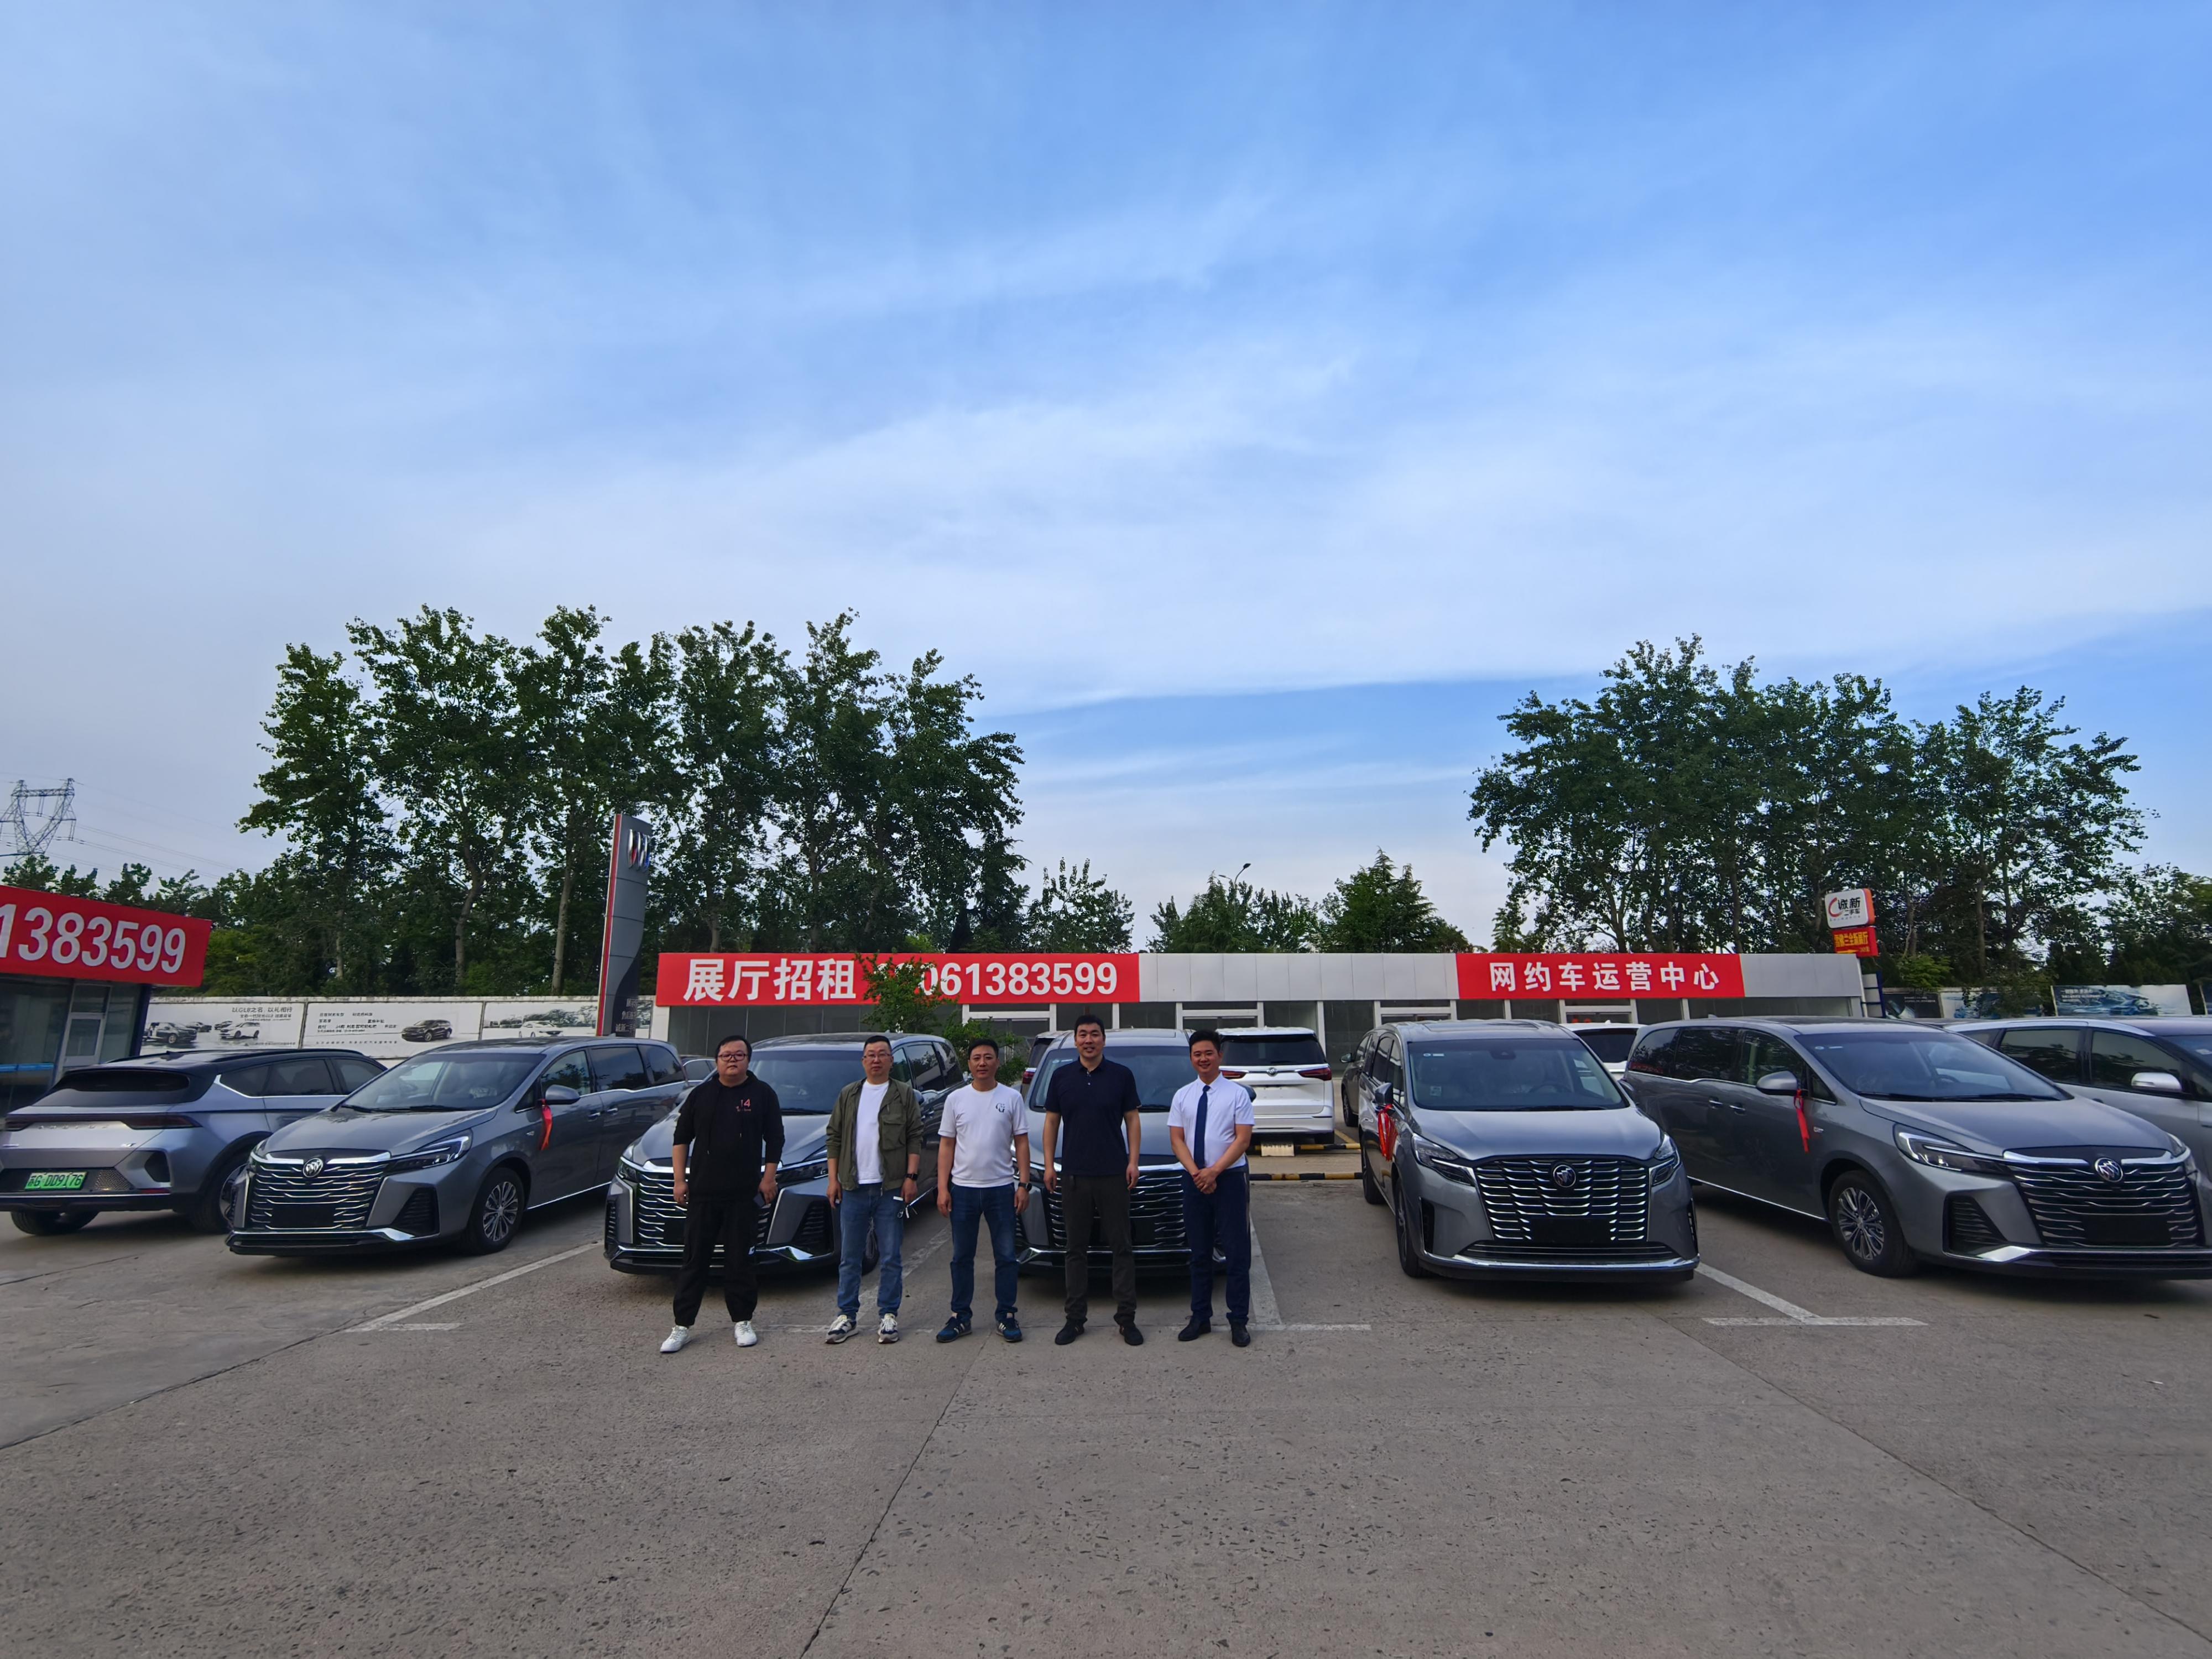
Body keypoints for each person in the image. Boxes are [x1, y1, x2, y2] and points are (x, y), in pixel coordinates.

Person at [660, 1034, 782, 1354]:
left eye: (739, 1055)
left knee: (739, 1261)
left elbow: (775, 1140)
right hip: (703, 1193)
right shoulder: (701, 1095)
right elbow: (681, 1139)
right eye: (727, 1055)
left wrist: (768, 1178)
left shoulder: (762, 1094)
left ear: (748, 1060)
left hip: (743, 1194)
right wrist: (679, 1181)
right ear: (717, 1061)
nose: (732, 1060)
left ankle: (743, 1321)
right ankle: (682, 1326)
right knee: (694, 1261)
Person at [1039, 1013, 1144, 1347]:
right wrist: (1050, 1166)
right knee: (1075, 1249)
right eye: (1083, 1034)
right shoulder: (1062, 1077)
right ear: (1075, 1040)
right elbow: (1052, 1122)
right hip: (1074, 1175)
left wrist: (1133, 1162)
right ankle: (1075, 1319)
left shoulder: (1121, 1076)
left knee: (1122, 1247)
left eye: (1095, 1034)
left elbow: (1133, 1119)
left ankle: (1126, 1319)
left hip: (1113, 1173)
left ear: (1103, 1040)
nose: (1089, 1040)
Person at [824, 1034, 922, 1345]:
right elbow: (834, 1137)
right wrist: (833, 1180)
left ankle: (888, 1315)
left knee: (891, 1255)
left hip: (890, 1187)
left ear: (892, 1060)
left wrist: (911, 1177)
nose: (876, 1059)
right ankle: (847, 1315)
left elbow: (915, 1136)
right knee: (850, 1257)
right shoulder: (849, 1094)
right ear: (863, 1061)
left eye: (882, 1054)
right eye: (871, 1055)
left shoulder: (903, 1094)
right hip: (853, 1186)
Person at [933, 1035, 1032, 1343]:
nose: (982, 1063)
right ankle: (960, 1316)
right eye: (977, 1058)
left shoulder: (1012, 1098)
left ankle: (1006, 1315)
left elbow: (1022, 1142)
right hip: (963, 1190)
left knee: (1006, 1256)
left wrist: (1024, 1184)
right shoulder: (956, 1100)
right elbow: (947, 1145)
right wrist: (942, 1188)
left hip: (1001, 1189)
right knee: (962, 1257)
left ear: (997, 1062)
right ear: (969, 1063)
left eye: (988, 1057)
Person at [1167, 1030, 1256, 1347]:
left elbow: (1243, 1140)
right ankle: (1200, 1317)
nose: (1203, 1059)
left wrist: (1214, 1172)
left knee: (1236, 1253)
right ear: (1191, 1059)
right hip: (1194, 1181)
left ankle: (1238, 1320)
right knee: (1200, 1252)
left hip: (1229, 1179)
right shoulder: (1183, 1096)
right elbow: (1177, 1139)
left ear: (1220, 1055)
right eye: (1197, 1054)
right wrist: (1197, 1174)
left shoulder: (1237, 1095)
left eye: (1208, 1053)